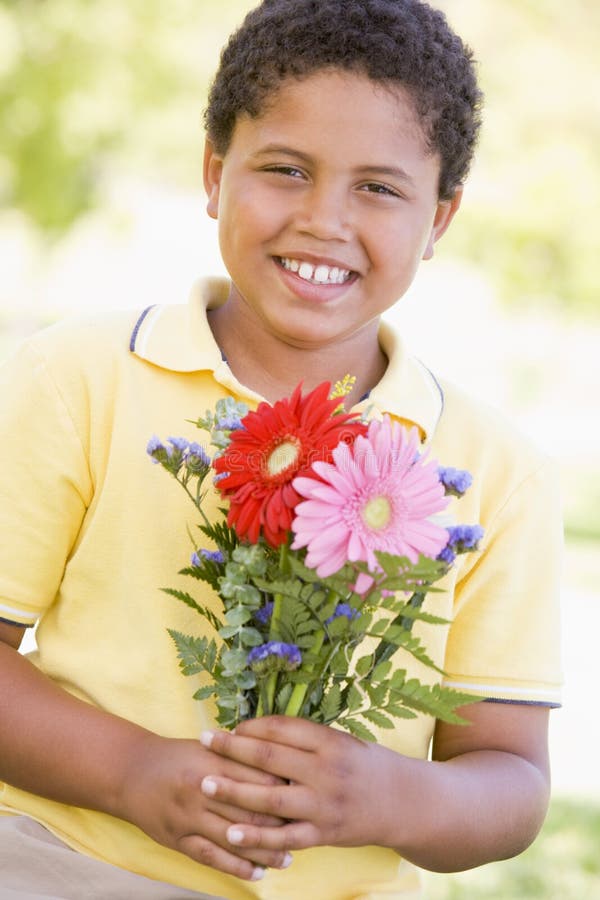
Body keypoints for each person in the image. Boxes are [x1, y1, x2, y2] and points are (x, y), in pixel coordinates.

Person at [0, 1, 562, 898]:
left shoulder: (495, 469)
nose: (322, 221)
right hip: (66, 864)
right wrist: (132, 773)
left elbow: (512, 781)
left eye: (378, 188)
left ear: (441, 219)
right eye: (286, 170)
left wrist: (390, 798)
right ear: (216, 174)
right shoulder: (78, 376)